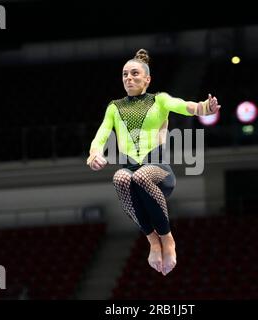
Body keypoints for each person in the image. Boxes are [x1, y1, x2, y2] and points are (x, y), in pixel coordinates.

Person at [87, 49, 220, 276]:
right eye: (125, 74)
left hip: (159, 172)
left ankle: (167, 240)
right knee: (120, 177)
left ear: (147, 79)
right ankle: (152, 241)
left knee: (140, 176)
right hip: (130, 173)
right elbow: (100, 136)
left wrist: (204, 108)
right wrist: (94, 155)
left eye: (135, 73)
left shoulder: (160, 100)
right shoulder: (114, 108)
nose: (129, 78)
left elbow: (185, 106)